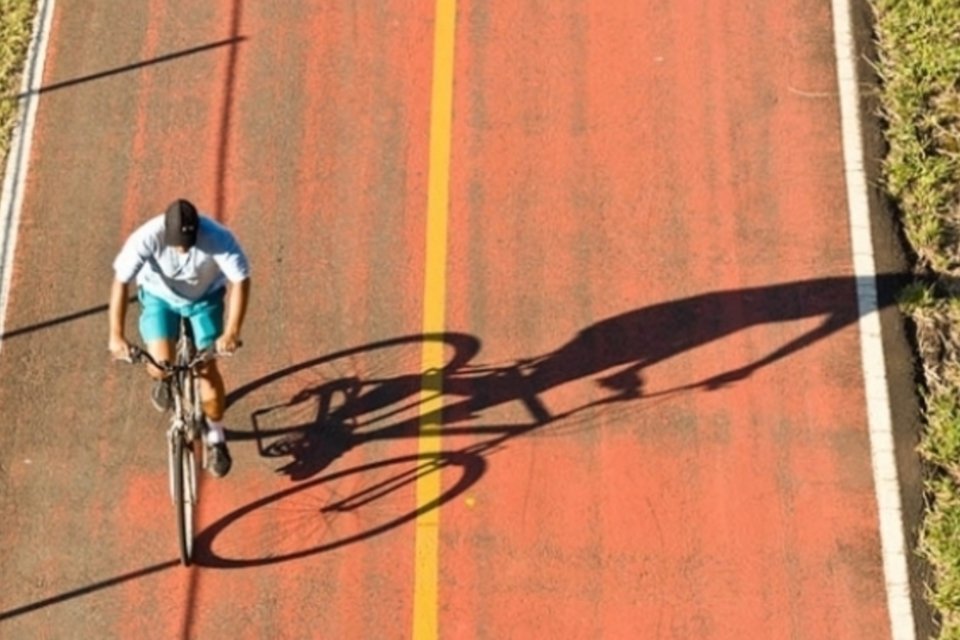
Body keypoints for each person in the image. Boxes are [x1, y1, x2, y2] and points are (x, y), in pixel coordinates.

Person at [107, 199, 251, 478]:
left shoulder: (219, 238)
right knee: (159, 364)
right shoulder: (146, 237)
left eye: (188, 242)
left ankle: (217, 437)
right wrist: (116, 335)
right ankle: (163, 379)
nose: (182, 248)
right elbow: (121, 282)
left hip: (204, 299)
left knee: (206, 369)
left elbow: (241, 280)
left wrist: (232, 331)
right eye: (176, 242)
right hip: (161, 299)